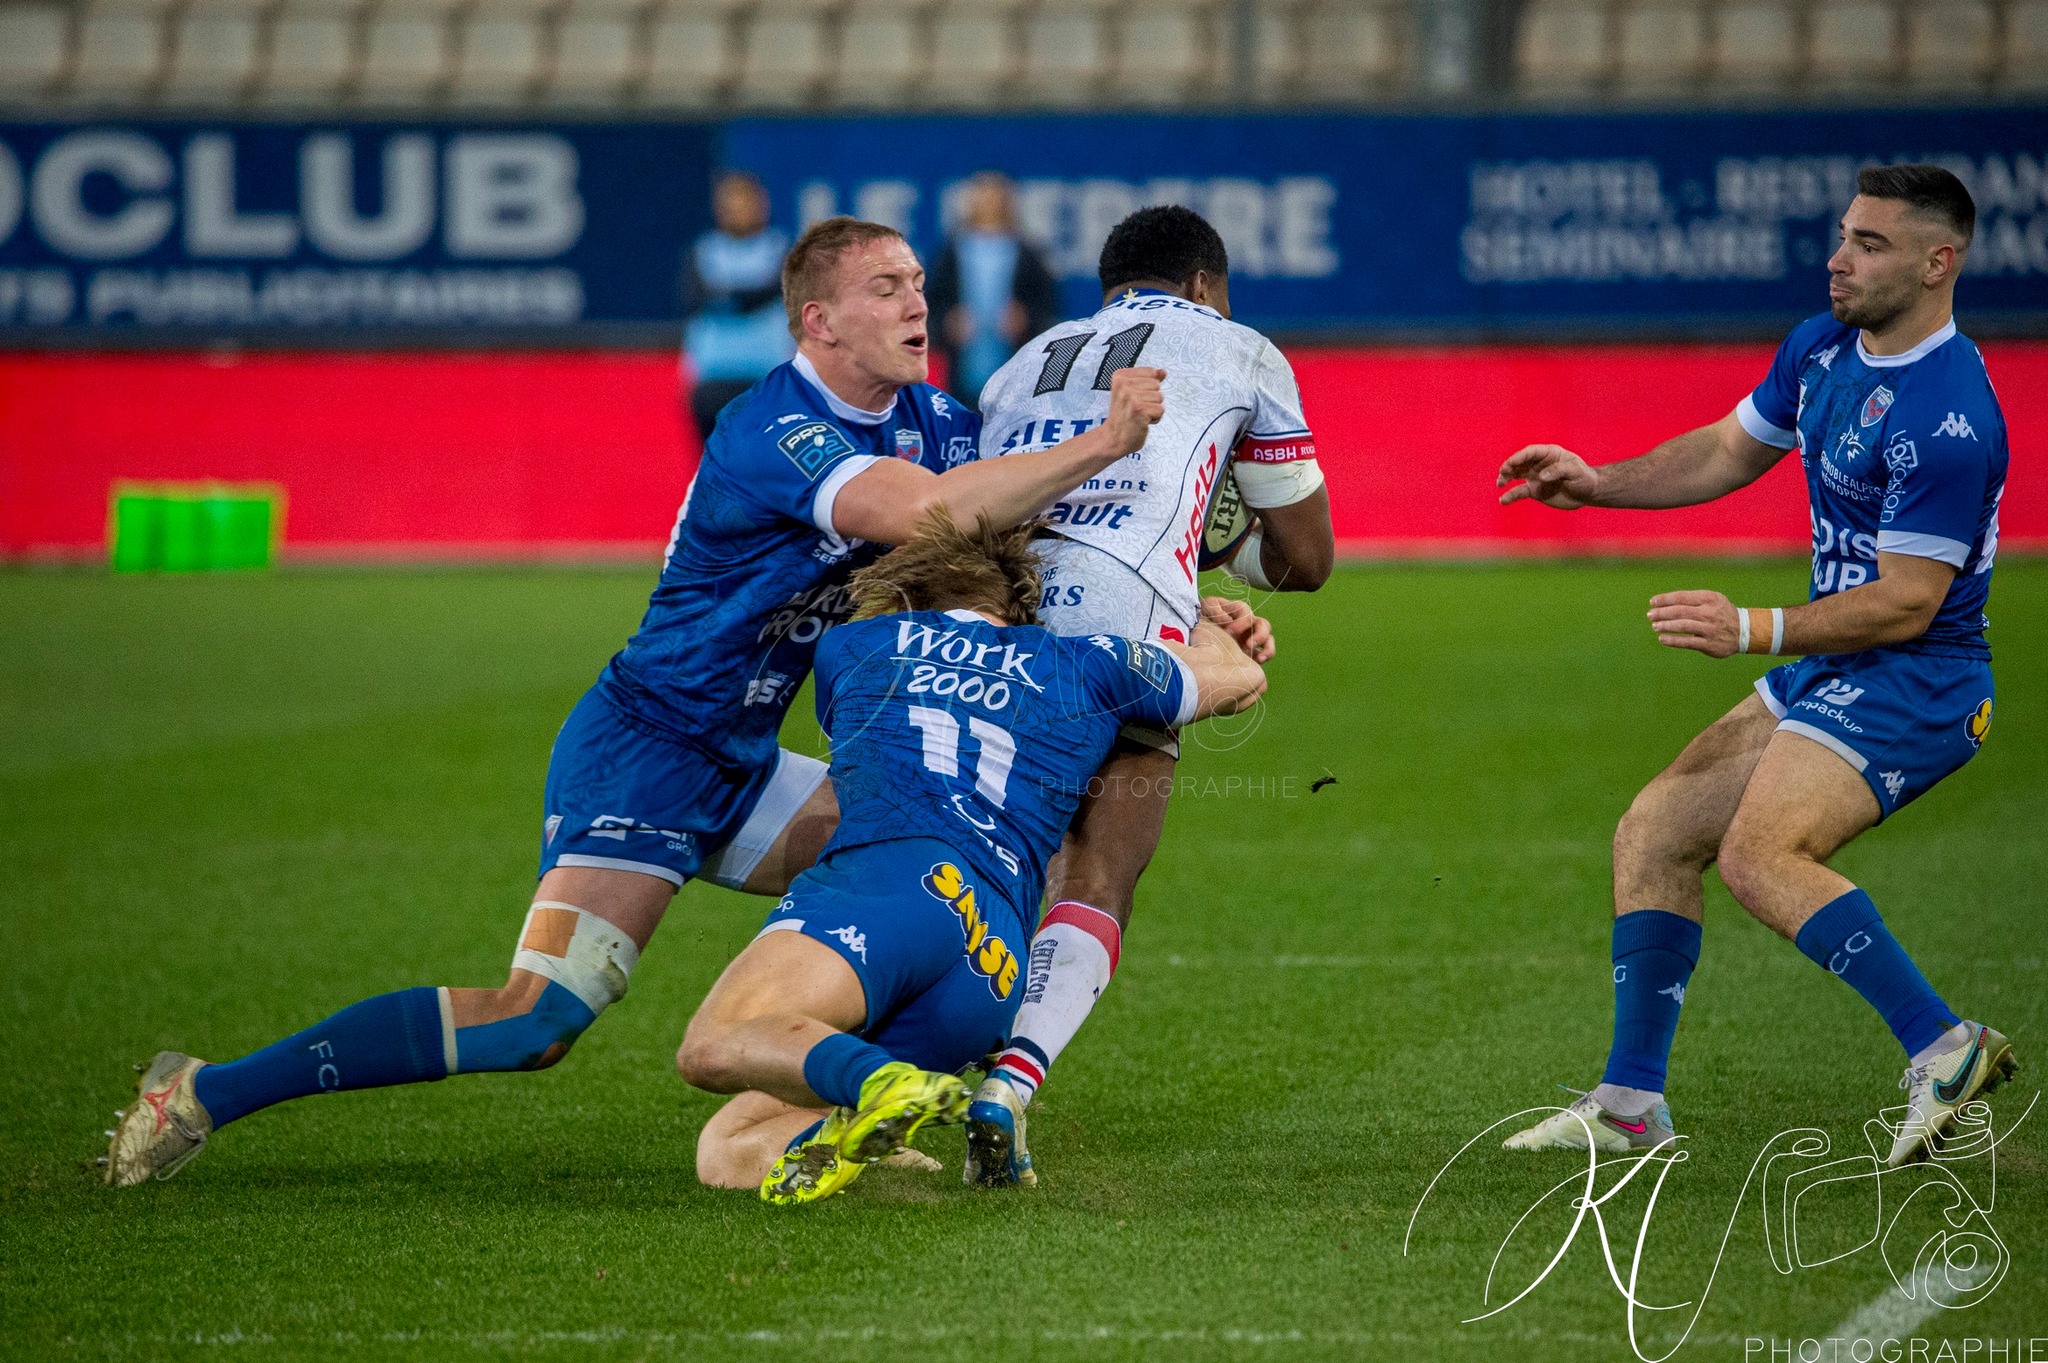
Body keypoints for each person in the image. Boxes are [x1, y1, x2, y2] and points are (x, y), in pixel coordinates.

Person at [100, 217, 1168, 1187]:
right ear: (819, 320)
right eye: (885, 286)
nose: (913, 302)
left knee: (939, 860)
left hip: (745, 758)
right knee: (538, 1021)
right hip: (650, 745)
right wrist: (1109, 440)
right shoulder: (773, 426)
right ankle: (201, 1090)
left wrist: (1196, 611)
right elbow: (931, 512)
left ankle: (885, 1093)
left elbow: (1015, 532)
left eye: (915, 283)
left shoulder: (937, 418)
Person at [1494, 166, 2014, 1167]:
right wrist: (1598, 483)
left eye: (1868, 243)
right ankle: (1629, 1104)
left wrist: (1753, 627)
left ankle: (1945, 1046)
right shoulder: (1822, 347)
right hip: (1835, 667)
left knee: (1758, 855)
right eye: (1841, 235)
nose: (1837, 257)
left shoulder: (1947, 416)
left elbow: (1909, 602)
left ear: (1936, 261)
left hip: (1920, 679)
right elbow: (1727, 451)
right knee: (1653, 830)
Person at [678, 511, 1270, 1204]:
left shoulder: (854, 646)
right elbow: (1238, 677)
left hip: (896, 882)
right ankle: (868, 1126)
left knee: (717, 1041)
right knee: (729, 1143)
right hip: (990, 969)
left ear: (903, 594)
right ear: (1021, 605)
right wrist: (1199, 613)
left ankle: (878, 1086)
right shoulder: (1089, 667)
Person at [959, 204, 1335, 1186]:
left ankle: (879, 1066)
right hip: (1126, 612)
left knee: (981, 856)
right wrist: (1216, 550)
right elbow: (1306, 560)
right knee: (1098, 865)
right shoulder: (1239, 347)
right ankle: (1008, 1079)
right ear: (1205, 283)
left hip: (996, 611)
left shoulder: (1018, 360)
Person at [926, 172, 1061, 407]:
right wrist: (948, 324)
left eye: (996, 196)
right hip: (960, 381)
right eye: (983, 195)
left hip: (1018, 381)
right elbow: (926, 311)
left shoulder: (1030, 257)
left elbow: (1050, 313)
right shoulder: (948, 256)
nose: (989, 203)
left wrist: (1026, 322)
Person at [681, 171, 795, 446]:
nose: (737, 211)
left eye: (744, 202)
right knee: (715, 463)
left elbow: (768, 293)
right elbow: (694, 298)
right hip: (713, 376)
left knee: (767, 464)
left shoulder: (782, 249)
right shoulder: (702, 251)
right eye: (729, 203)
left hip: (767, 375)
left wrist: (725, 297)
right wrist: (743, 297)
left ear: (762, 204)